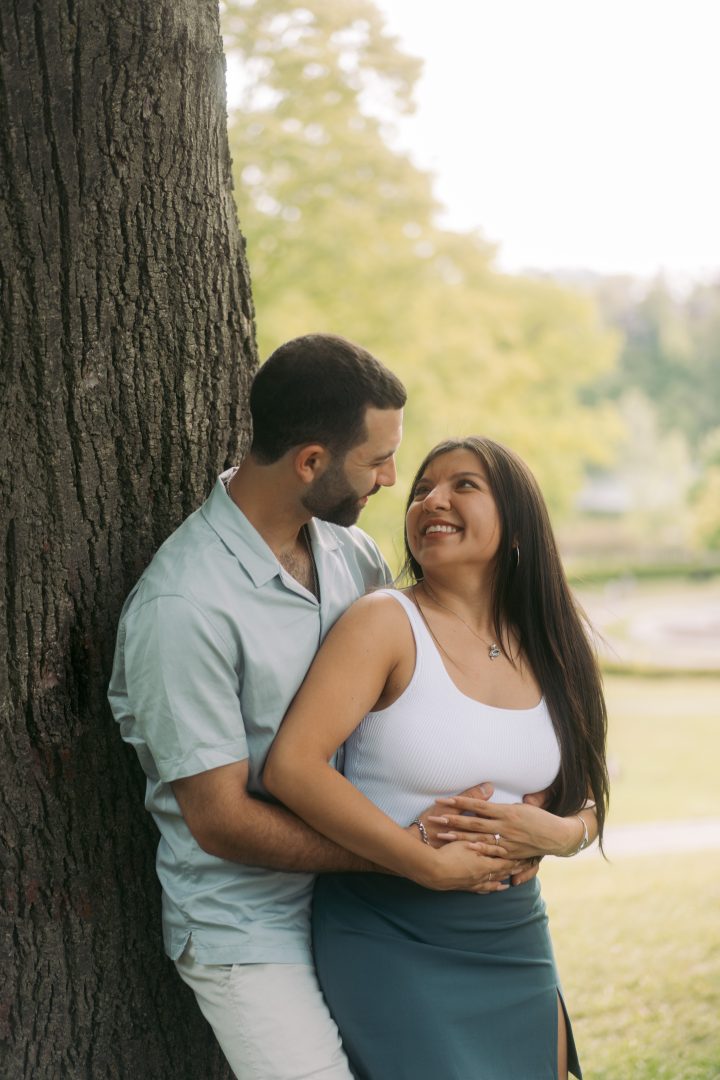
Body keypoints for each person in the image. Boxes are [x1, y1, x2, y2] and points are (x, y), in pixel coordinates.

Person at [108, 340, 533, 1080]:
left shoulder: (353, 555)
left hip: (365, 911)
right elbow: (219, 820)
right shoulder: (182, 606)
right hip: (251, 929)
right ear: (311, 462)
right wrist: (407, 855)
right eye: (378, 461)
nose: (392, 480)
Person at [265, 435, 610, 1080]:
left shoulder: (550, 643)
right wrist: (421, 862)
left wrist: (564, 836)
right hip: (389, 932)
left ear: (517, 524)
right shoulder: (384, 621)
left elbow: (587, 796)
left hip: (513, 934)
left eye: (463, 485)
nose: (431, 501)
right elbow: (293, 767)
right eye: (422, 489)